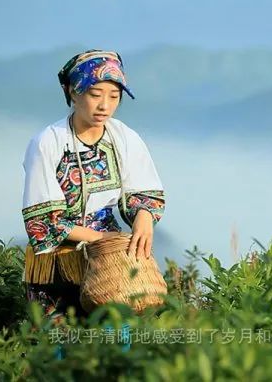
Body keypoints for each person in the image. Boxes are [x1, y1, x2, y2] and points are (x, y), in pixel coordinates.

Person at [21, 49, 166, 320]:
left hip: (108, 263)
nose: (105, 106)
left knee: (115, 336)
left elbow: (145, 194)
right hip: (56, 265)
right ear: (73, 93)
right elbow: (42, 222)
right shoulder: (48, 143)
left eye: (114, 96)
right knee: (57, 343)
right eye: (95, 94)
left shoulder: (123, 137)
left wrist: (144, 220)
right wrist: (99, 238)